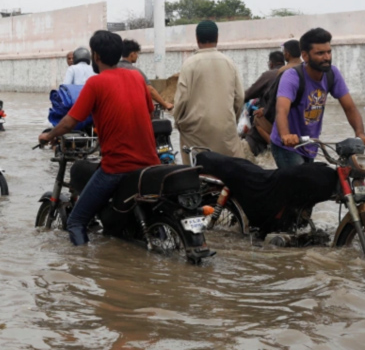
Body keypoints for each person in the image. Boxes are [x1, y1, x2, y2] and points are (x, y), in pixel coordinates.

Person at [39, 30, 160, 246]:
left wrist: (49, 135)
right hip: (150, 163)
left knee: (76, 221)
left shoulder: (95, 83)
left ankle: (83, 271)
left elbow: (70, 122)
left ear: (96, 56)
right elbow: (149, 114)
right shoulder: (136, 77)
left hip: (117, 167)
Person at [271, 27, 365, 169]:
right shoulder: (292, 77)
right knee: (299, 184)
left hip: (311, 144)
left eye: (329, 52)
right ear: (305, 56)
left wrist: (360, 134)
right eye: (320, 53)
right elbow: (281, 110)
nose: (327, 57)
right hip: (287, 146)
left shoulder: (332, 74)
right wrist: (286, 135)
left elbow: (350, 107)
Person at [174, 20, 245, 164]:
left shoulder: (189, 64)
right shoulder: (229, 62)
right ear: (217, 38)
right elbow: (240, 97)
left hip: (195, 130)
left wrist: (179, 122)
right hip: (225, 129)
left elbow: (182, 100)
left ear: (197, 38)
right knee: (232, 170)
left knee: (196, 172)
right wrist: (232, 119)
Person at [118, 39, 173, 110]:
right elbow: (150, 90)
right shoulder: (135, 71)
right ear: (132, 54)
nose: (137, 56)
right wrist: (165, 104)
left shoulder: (113, 68)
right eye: (137, 53)